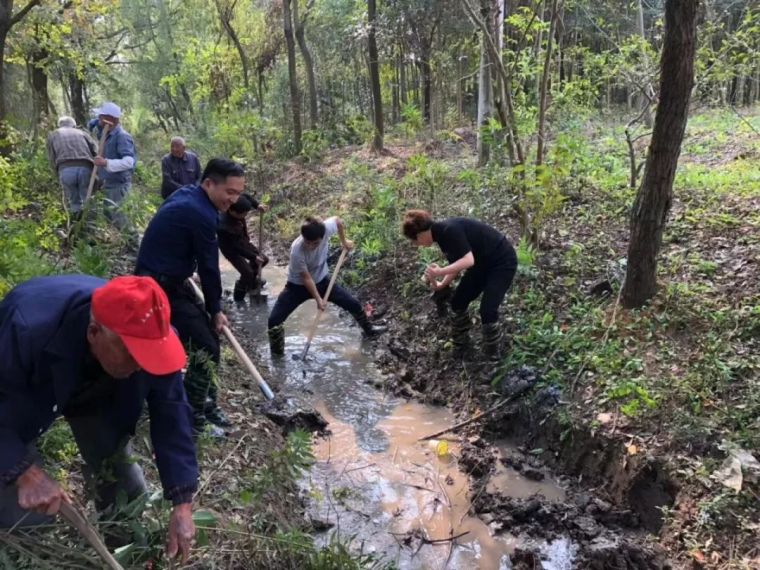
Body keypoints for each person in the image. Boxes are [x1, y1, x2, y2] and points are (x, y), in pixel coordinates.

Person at [0, 275, 197, 563]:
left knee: (124, 487)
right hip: (25, 392)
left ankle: (127, 554)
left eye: (149, 357)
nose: (142, 366)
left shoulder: (155, 341)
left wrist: (182, 502)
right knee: (27, 513)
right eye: (133, 355)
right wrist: (24, 472)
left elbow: (172, 413)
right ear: (94, 333)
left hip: (99, 392)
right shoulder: (25, 328)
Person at [136, 158, 245, 437]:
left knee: (208, 338)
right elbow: (210, 267)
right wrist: (216, 309)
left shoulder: (189, 194)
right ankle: (193, 417)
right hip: (159, 287)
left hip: (170, 278)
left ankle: (206, 403)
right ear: (209, 183)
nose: (233, 200)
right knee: (206, 346)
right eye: (229, 192)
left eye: (238, 193)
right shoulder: (201, 213)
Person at [402, 210, 517, 361]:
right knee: (457, 302)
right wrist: (442, 283)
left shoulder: (448, 230)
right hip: (481, 265)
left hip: (501, 261)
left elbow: (468, 260)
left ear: (420, 234)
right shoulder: (441, 235)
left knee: (487, 309)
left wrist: (440, 271)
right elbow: (456, 263)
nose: (417, 245)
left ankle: (493, 356)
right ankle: (463, 346)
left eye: (415, 241)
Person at [267, 216, 386, 355]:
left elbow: (338, 221)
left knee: (353, 304)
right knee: (274, 321)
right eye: (308, 242)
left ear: (323, 237)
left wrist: (344, 242)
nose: (311, 246)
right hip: (297, 287)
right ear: (303, 236)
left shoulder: (326, 228)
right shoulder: (296, 250)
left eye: (315, 243)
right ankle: (277, 354)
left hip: (323, 282)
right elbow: (306, 278)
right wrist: (318, 300)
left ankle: (369, 330)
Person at [88, 102, 136, 230]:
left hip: (119, 185)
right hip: (109, 183)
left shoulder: (122, 137)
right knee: (109, 216)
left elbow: (129, 162)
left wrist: (105, 163)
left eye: (101, 117)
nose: (99, 120)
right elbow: (93, 123)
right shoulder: (106, 132)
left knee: (120, 218)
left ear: (110, 119)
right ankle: (122, 246)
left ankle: (134, 246)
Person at [218, 193, 270, 303]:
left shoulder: (238, 200)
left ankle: (250, 282)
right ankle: (239, 297)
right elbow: (235, 247)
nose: (245, 216)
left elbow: (247, 197)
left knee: (263, 260)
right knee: (247, 272)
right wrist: (253, 256)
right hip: (230, 248)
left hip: (242, 240)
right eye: (243, 214)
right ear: (232, 211)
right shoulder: (223, 225)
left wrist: (257, 206)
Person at [46, 116, 97, 217]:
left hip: (65, 169)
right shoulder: (83, 133)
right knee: (88, 198)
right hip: (85, 167)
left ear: (59, 125)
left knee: (73, 200)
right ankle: (91, 225)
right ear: (74, 125)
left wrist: (56, 173)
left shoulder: (53, 135)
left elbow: (52, 157)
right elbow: (95, 151)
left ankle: (77, 226)